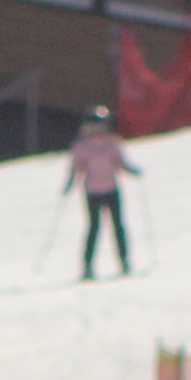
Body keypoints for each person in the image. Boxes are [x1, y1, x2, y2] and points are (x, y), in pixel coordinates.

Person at [67, 108, 139, 279]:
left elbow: (120, 163)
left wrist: (132, 171)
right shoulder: (82, 147)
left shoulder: (112, 144)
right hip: (93, 192)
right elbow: (76, 167)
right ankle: (87, 267)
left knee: (118, 226)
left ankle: (124, 262)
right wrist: (70, 183)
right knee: (94, 228)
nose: (97, 131)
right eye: (94, 127)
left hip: (111, 190)